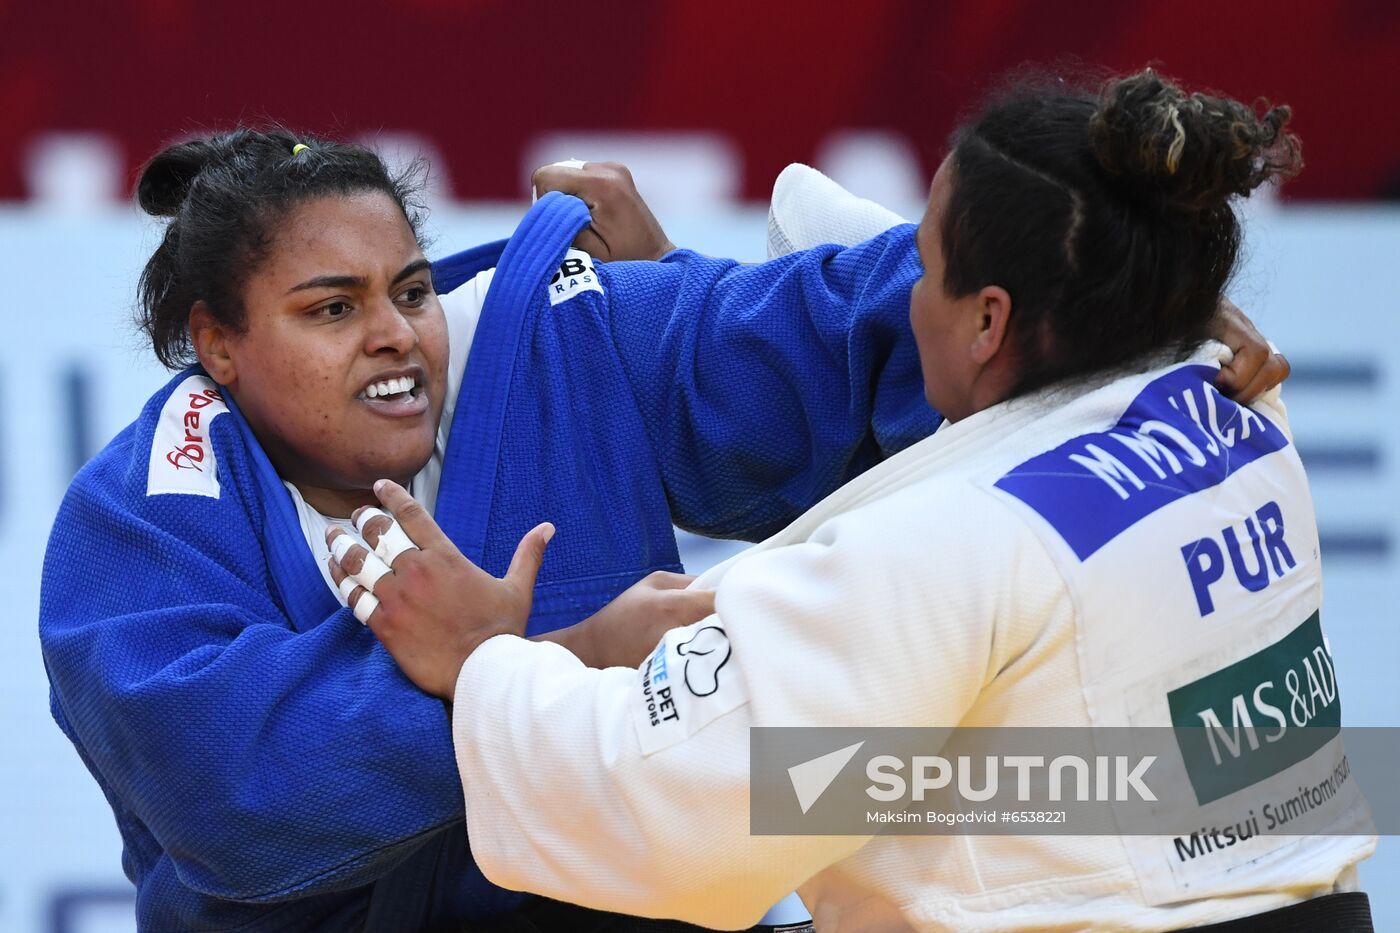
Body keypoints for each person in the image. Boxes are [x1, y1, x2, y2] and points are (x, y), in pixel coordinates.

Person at [39, 126, 1283, 929]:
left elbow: (809, 327)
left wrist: (1118, 297)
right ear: (216, 342)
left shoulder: (554, 333)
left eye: (408, 291)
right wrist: (562, 658)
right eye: (329, 308)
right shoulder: (142, 513)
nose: (391, 335)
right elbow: (231, 791)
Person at [339, 69, 1377, 931]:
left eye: (919, 269)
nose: (898, 293)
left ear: (986, 323)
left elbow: (685, 819)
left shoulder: (945, 550)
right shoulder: (1230, 397)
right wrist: (675, 285)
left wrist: (488, 661)